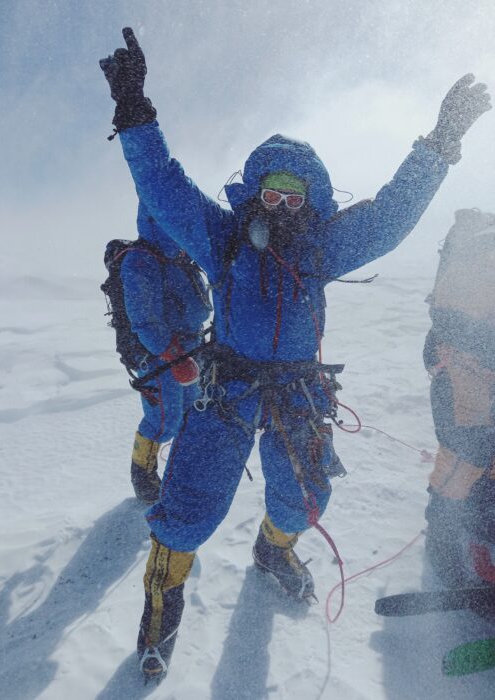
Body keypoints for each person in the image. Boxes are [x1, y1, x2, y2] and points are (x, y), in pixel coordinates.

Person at [100, 27, 491, 681]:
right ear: (252, 195)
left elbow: (391, 216)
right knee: (189, 503)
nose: (281, 208)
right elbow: (165, 186)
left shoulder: (322, 248)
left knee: (302, 496)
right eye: (270, 194)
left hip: (299, 391)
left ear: (311, 201)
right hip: (226, 386)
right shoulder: (222, 238)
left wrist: (439, 144)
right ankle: (162, 601)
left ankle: (273, 549)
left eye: (295, 196)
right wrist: (135, 112)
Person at [114, 203, 211, 503]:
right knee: (163, 420)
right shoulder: (141, 260)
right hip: (158, 357)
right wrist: (172, 356)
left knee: (188, 415)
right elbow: (143, 318)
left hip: (190, 349)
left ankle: (180, 472)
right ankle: (142, 476)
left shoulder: (182, 257)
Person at [423, 208, 495, 588]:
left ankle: (481, 511)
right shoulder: (480, 255)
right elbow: (449, 317)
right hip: (463, 379)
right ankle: (442, 531)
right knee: (467, 452)